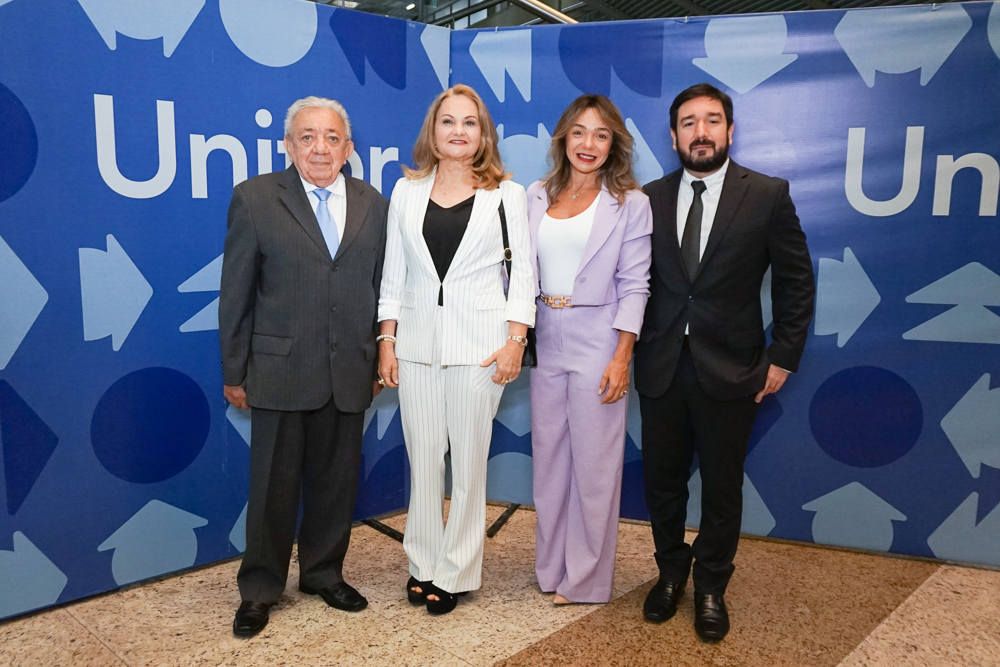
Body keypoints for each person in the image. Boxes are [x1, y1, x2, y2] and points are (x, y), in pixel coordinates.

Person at [636, 83, 815, 641]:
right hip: (662, 365)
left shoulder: (766, 194)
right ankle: (670, 574)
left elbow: (795, 281)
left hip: (733, 369)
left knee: (721, 486)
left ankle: (711, 584)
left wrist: (782, 357)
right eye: (689, 122)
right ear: (673, 136)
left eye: (712, 121)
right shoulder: (648, 198)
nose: (701, 132)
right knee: (662, 483)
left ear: (730, 131)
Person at [219, 96, 389, 637]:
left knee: (336, 486)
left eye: (332, 137)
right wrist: (234, 369)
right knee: (272, 489)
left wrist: (383, 352)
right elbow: (236, 293)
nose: (321, 147)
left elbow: (384, 288)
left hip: (351, 371)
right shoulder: (254, 199)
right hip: (278, 371)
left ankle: (322, 573)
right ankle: (260, 589)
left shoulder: (373, 203)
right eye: (308, 136)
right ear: (289, 145)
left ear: (349, 148)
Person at [376, 84, 535, 615]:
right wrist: (387, 342)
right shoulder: (406, 191)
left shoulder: (508, 196)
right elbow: (392, 276)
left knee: (468, 468)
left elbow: (523, 277)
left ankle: (457, 570)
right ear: (433, 130)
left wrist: (516, 341)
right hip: (417, 348)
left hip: (481, 351)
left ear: (483, 133)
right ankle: (422, 563)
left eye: (470, 122)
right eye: (449, 121)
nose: (459, 131)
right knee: (424, 464)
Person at [527, 95, 652, 604]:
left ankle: (586, 580)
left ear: (614, 144)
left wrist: (622, 356)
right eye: (579, 132)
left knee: (596, 467)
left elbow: (636, 284)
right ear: (563, 138)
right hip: (543, 335)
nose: (588, 144)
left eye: (601, 135)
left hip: (600, 336)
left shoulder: (630, 203)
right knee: (549, 462)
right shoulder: (534, 195)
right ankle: (552, 569)